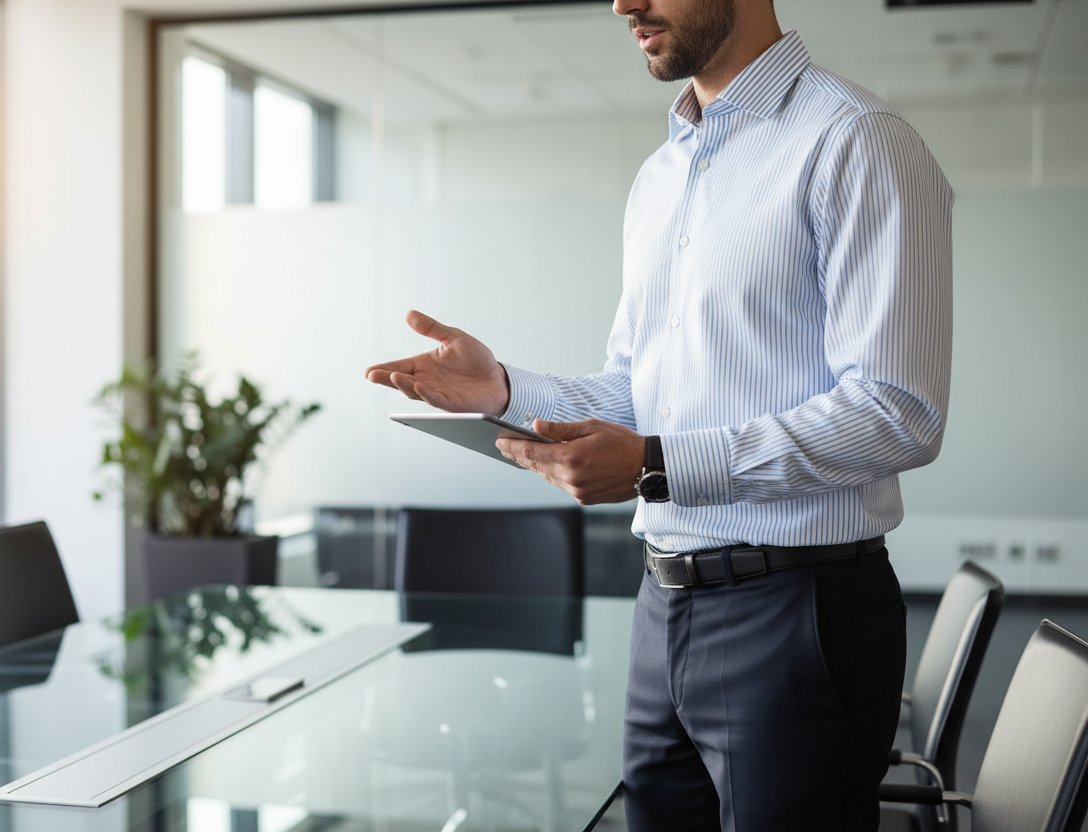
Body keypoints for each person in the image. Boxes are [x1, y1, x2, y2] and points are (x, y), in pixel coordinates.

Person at [365, 0, 952, 828]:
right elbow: (641, 391)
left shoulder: (856, 140)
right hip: (661, 604)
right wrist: (503, 390)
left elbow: (899, 412)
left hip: (796, 611)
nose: (623, 4)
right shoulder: (660, 177)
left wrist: (658, 464)